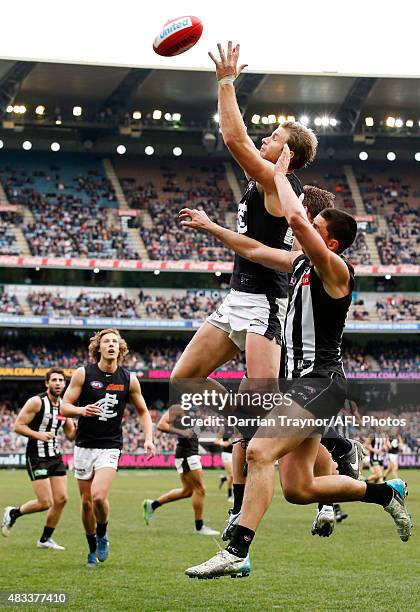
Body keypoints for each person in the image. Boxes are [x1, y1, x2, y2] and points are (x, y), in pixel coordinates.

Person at [182, 143, 412, 579]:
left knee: (259, 450)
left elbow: (292, 219)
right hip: (299, 387)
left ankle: (236, 550)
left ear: (329, 240)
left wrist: (284, 173)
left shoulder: (335, 270)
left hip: (320, 382)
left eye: (313, 222)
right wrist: (211, 226)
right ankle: (385, 493)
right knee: (299, 488)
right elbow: (251, 250)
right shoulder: (300, 262)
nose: (303, 223)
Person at [171, 40, 317, 526]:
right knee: (182, 380)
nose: (265, 139)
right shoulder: (264, 184)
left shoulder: (280, 184)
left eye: (274, 135)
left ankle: (318, 453)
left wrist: (227, 81)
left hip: (266, 306)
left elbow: (234, 140)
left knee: (260, 403)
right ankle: (255, 421)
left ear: (287, 153)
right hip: (237, 298)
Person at [60, 328, 155, 567]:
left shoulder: (129, 379)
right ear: (98, 348)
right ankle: (91, 547)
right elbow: (64, 406)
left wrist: (149, 438)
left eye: (115, 342)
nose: (111, 345)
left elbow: (143, 411)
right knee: (85, 502)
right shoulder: (83, 373)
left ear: (120, 348)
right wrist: (82, 410)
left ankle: (102, 535)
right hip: (83, 446)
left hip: (110, 446)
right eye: (106, 342)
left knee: (99, 496)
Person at [2, 368, 75, 550]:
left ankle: (44, 540)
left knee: (62, 499)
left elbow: (71, 435)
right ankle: (13, 513)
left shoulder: (65, 406)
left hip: (55, 456)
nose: (58, 383)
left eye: (61, 380)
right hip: (36, 456)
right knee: (45, 502)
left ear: (65, 384)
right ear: (47, 383)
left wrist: (86, 423)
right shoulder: (36, 402)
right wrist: (38, 435)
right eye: (54, 380)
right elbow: (18, 426)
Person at [143, 405, 219, 536]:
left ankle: (153, 505)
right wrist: (182, 432)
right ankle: (199, 527)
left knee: (187, 491)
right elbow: (161, 425)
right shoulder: (179, 407)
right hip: (187, 454)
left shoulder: (197, 409)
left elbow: (194, 430)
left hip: (190, 453)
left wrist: (203, 424)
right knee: (200, 489)